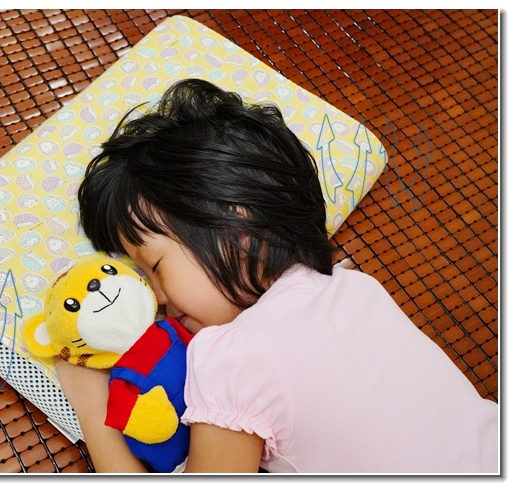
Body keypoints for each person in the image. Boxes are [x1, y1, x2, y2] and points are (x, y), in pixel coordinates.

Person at [56, 78, 499, 473]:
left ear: (237, 225)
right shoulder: (356, 288)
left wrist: (93, 409)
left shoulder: (232, 356)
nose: (156, 299)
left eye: (154, 267)